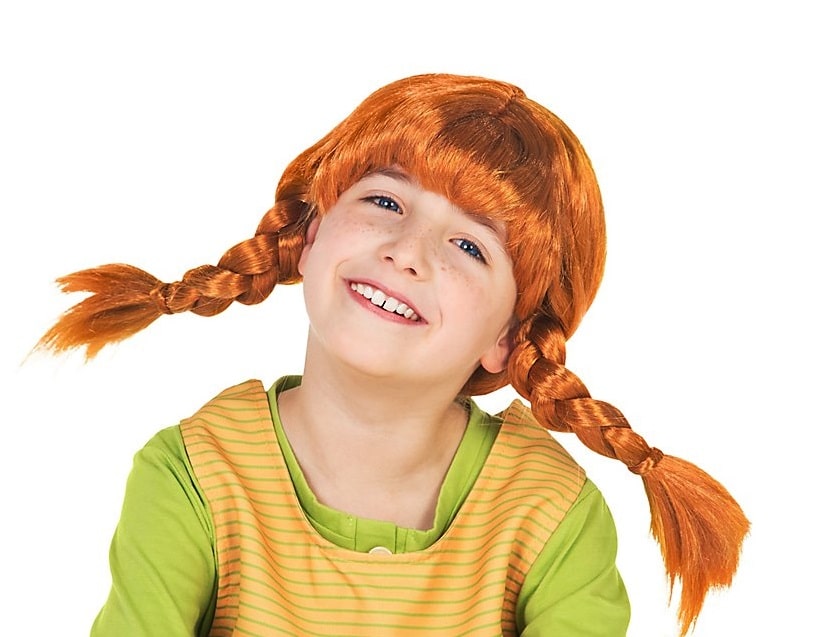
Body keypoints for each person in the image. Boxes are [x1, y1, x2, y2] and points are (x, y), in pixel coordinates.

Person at [37, 73, 748, 636]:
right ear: (309, 235)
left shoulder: (549, 513)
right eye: (384, 201)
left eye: (469, 245)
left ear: (508, 338)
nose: (407, 251)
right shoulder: (194, 474)